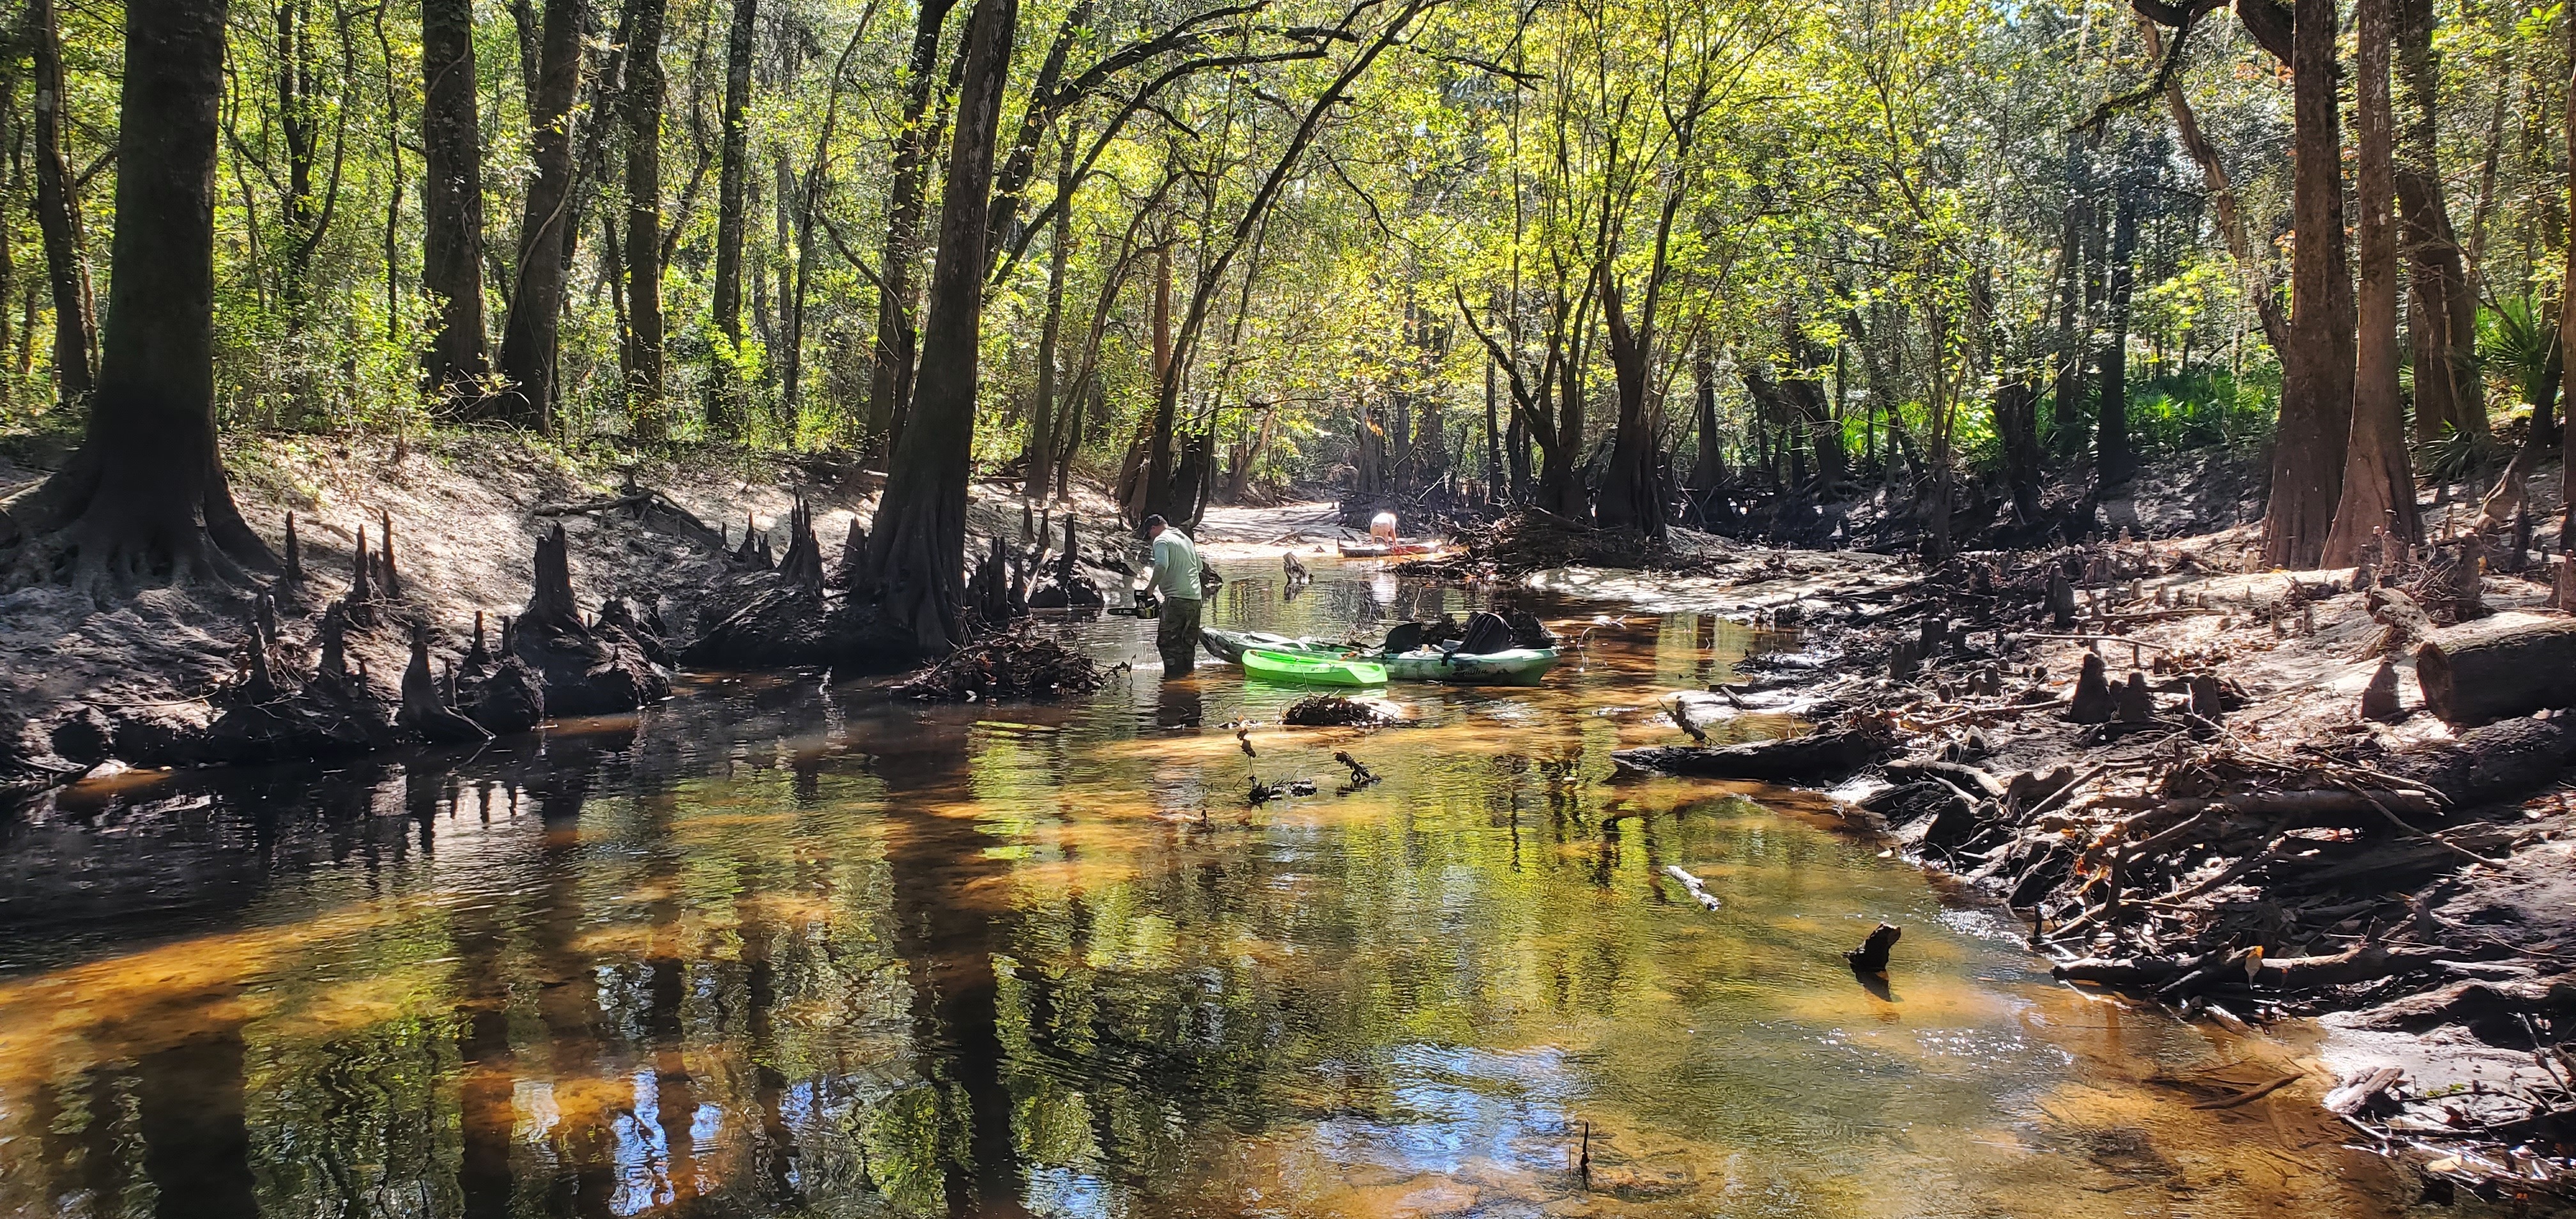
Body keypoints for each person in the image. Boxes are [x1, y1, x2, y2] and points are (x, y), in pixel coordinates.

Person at [1136, 514, 1203, 673]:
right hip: (1195, 599)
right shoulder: (1185, 539)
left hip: (1177, 600)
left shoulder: (1161, 540)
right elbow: (1199, 567)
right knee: (1188, 645)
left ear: (1154, 528)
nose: (1151, 538)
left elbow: (1161, 566)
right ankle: (1188, 684)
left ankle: (1172, 684)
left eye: (1150, 534)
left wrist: (1150, 589)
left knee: (1168, 644)